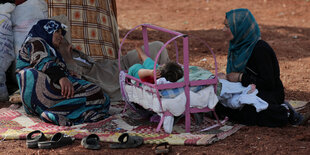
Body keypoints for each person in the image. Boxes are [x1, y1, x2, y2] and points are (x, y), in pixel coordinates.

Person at [215, 8, 306, 127]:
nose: (223, 30)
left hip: (267, 92)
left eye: (227, 26)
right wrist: (225, 78)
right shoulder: (236, 47)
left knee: (249, 112)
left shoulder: (260, 49)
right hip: (244, 89)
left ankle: (285, 112)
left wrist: (241, 77)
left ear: (240, 29)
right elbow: (235, 78)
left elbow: (268, 83)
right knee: (216, 102)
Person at [15, 19, 110, 126]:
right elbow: (43, 62)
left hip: (39, 102)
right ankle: (56, 113)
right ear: (47, 30)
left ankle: (73, 114)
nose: (61, 36)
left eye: (61, 33)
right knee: (96, 92)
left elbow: (50, 65)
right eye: (57, 32)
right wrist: (61, 78)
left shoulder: (50, 50)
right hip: (40, 94)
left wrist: (66, 74)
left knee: (104, 99)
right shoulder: (37, 41)